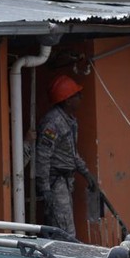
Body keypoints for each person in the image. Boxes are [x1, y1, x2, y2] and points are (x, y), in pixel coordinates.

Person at [35, 74, 97, 236]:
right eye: (76, 95)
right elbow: (42, 156)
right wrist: (45, 189)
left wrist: (86, 173)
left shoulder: (69, 120)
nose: (80, 97)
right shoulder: (53, 122)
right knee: (65, 232)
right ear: (67, 100)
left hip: (65, 182)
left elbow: (71, 153)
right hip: (55, 184)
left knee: (64, 229)